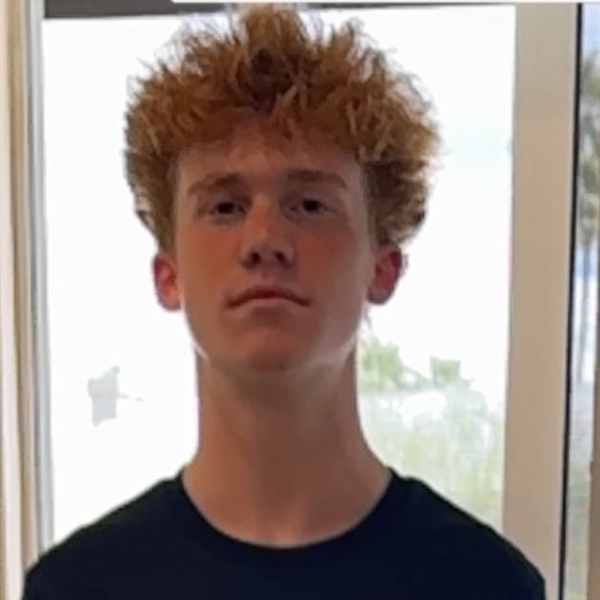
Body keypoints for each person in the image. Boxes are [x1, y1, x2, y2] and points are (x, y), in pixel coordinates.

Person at [23, 5, 546, 599]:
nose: (265, 239)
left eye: (310, 205)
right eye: (225, 207)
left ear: (382, 269)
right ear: (168, 277)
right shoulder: (78, 588)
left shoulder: (485, 584)